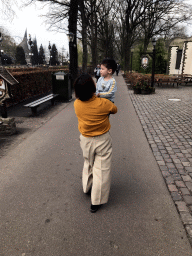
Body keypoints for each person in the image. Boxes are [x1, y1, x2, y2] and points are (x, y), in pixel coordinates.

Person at [74, 73, 118, 213]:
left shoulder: (77, 104)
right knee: (101, 169)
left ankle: (87, 187)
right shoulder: (103, 103)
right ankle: (96, 201)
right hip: (102, 139)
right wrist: (100, 97)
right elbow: (114, 109)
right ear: (93, 88)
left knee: (88, 162)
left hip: (85, 139)